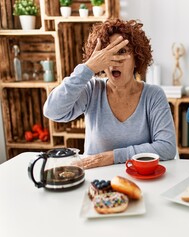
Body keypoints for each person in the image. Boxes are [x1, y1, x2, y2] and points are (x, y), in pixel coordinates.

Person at [43, 19, 177, 169]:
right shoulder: (92, 89)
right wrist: (88, 68)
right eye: (106, 54)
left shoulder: (153, 95)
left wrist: (111, 157)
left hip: (140, 179)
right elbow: (52, 111)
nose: (114, 61)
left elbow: (167, 147)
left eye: (121, 52)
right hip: (96, 182)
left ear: (137, 58)